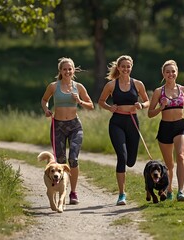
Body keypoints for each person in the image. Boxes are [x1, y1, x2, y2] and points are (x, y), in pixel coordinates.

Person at [41, 57, 95, 205]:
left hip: (74, 126)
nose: (67, 71)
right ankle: (60, 190)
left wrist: (80, 101)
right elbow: (44, 100)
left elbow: (91, 106)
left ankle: (73, 192)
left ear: (73, 70)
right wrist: (46, 110)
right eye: (64, 69)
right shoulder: (53, 86)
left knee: (73, 159)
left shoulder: (79, 87)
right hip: (58, 126)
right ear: (60, 71)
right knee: (60, 162)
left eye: (70, 69)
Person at [98, 55, 150, 205]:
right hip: (117, 123)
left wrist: (142, 105)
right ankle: (122, 194)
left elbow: (147, 101)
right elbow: (101, 101)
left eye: (128, 66)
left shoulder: (138, 84)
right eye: (123, 66)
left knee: (131, 161)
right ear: (118, 68)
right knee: (122, 156)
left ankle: (124, 183)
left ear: (131, 67)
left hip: (132, 122)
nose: (125, 69)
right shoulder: (111, 85)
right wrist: (109, 107)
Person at [148, 60, 184, 202]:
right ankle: (169, 189)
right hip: (165, 128)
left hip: (180, 126)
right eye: (167, 72)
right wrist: (161, 108)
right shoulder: (158, 92)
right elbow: (150, 113)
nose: (171, 74)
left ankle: (181, 191)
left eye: (173, 71)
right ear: (163, 74)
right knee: (169, 165)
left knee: (180, 156)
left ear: (177, 72)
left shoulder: (183, 90)